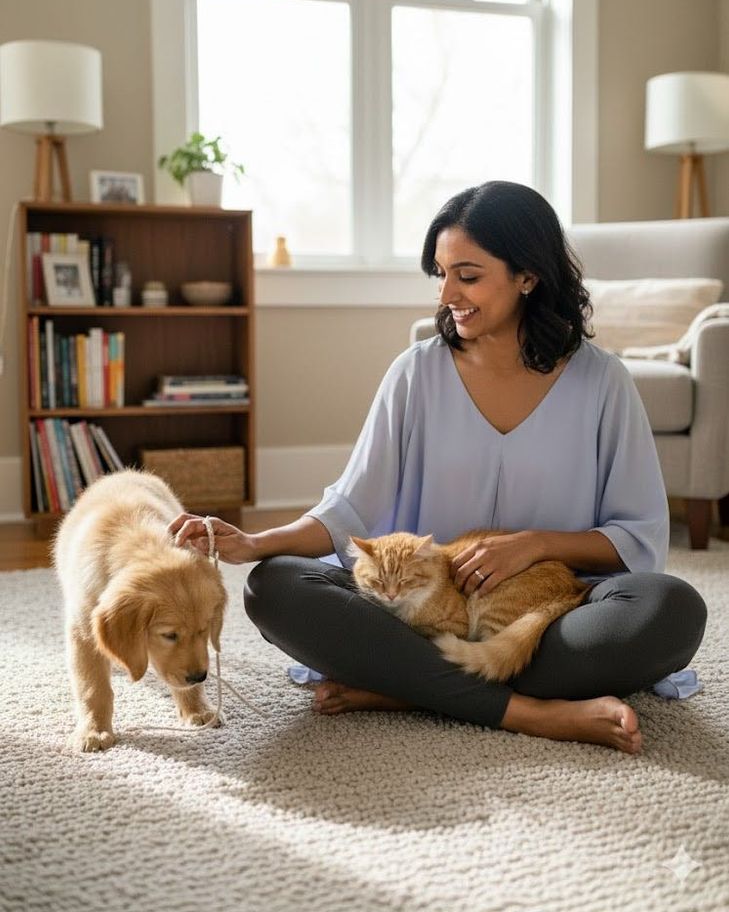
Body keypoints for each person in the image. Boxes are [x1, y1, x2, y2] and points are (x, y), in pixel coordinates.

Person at [169, 181, 707, 754]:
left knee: (670, 609)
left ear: (527, 276)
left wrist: (532, 546)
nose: (448, 292)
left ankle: (406, 687)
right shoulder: (415, 373)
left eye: (468, 275)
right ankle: (531, 712)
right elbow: (349, 507)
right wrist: (255, 541)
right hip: (416, 610)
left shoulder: (604, 382)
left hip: (552, 614)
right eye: (441, 273)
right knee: (276, 587)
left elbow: (638, 537)